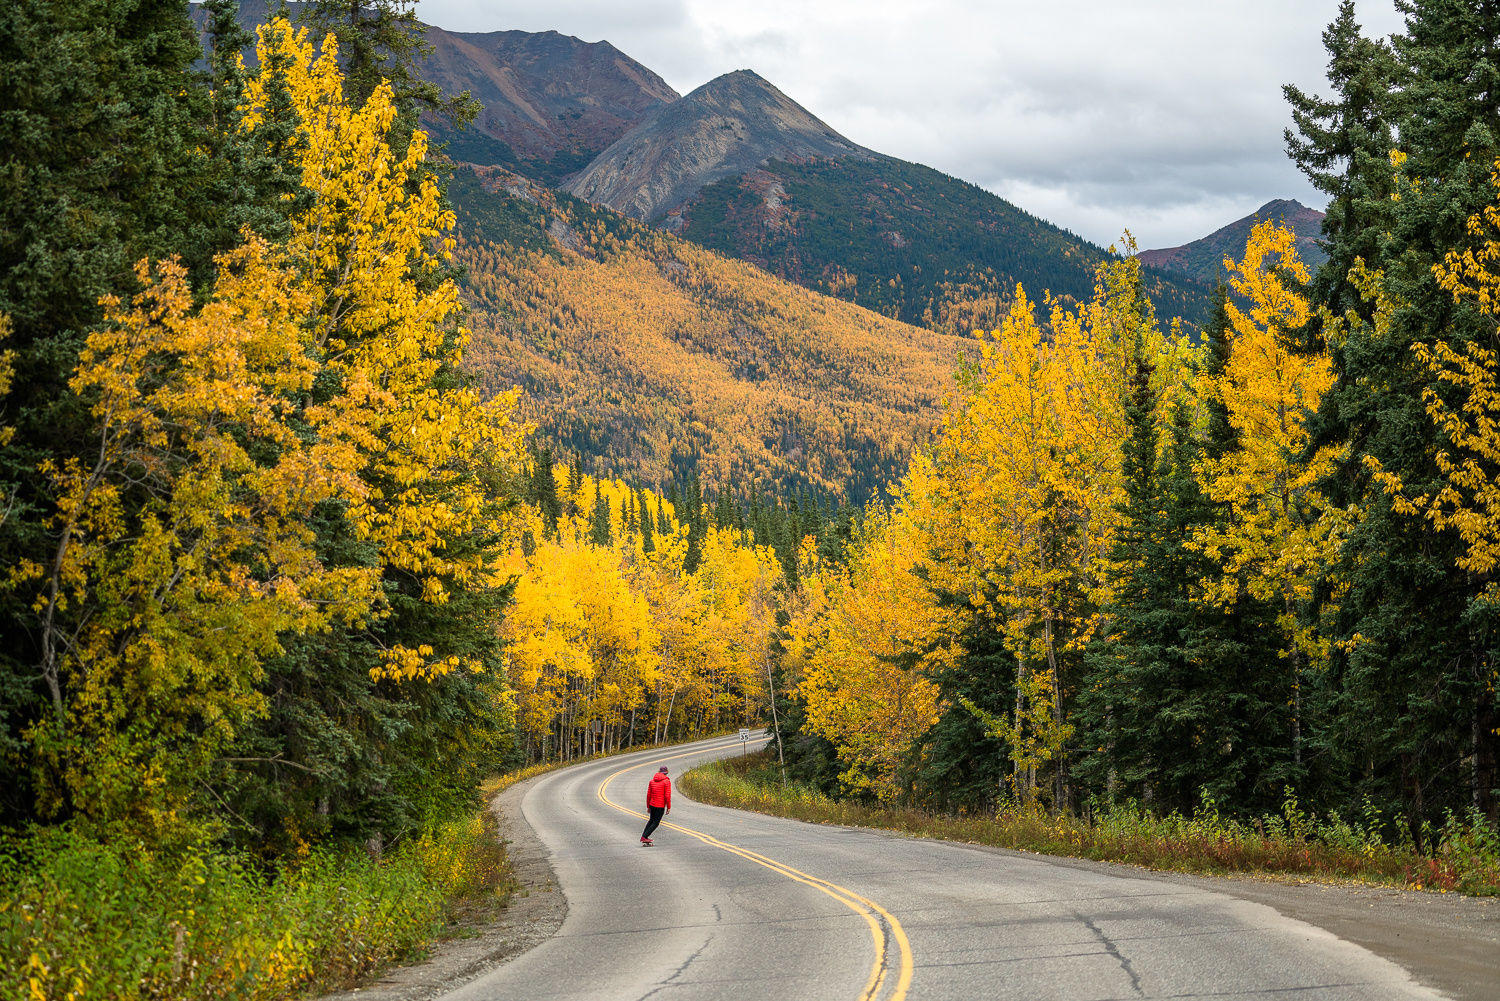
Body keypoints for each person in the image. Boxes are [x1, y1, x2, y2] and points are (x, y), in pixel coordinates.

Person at [641, 766, 671, 845]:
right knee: (656, 822)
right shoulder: (666, 782)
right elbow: (667, 796)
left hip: (652, 804)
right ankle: (644, 836)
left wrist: (648, 807)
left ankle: (644, 837)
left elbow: (648, 795)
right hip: (660, 806)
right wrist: (668, 807)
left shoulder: (652, 781)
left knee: (651, 820)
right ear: (666, 772)